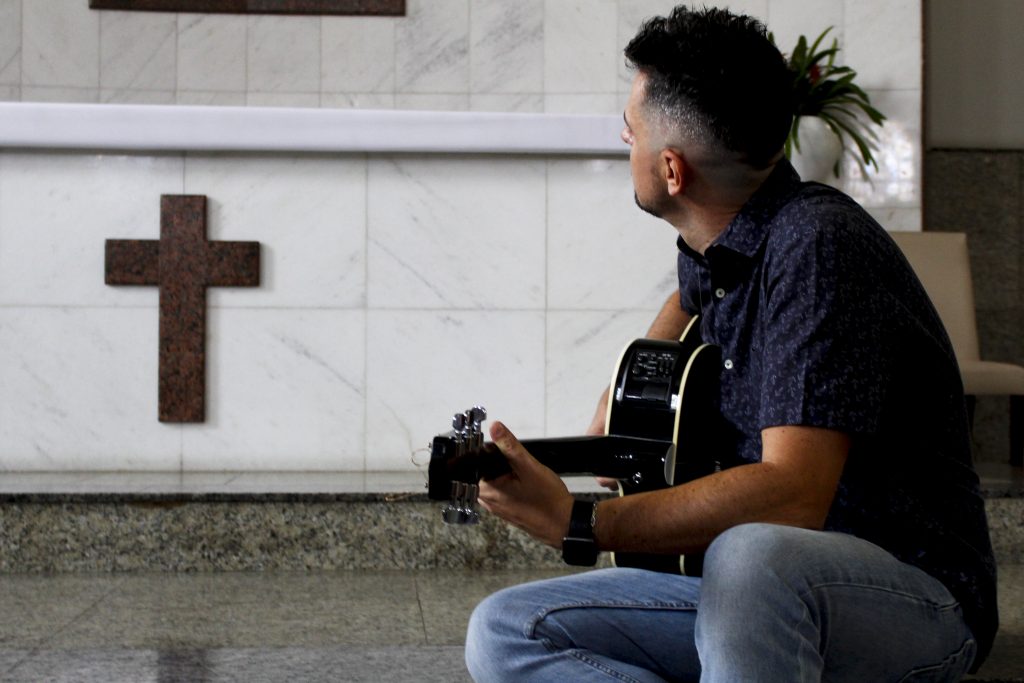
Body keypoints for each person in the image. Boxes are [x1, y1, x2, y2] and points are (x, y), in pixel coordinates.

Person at [463, 6, 998, 683]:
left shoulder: (817, 247)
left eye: (629, 130)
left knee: (750, 554)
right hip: (754, 601)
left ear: (673, 171)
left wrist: (580, 520)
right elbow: (687, 294)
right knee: (505, 631)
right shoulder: (729, 230)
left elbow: (792, 493)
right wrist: (623, 394)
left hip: (914, 599)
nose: (622, 140)